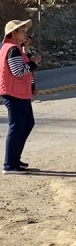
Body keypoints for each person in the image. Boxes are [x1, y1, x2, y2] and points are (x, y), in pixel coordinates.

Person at [2, 20, 40, 174]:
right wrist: (34, 63)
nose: (25, 33)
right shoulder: (12, 50)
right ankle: (10, 165)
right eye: (22, 31)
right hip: (14, 94)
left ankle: (14, 159)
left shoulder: (16, 48)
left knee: (27, 124)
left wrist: (27, 48)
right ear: (13, 34)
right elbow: (19, 71)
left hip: (20, 93)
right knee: (17, 127)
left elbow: (22, 61)